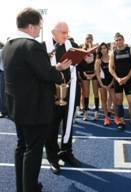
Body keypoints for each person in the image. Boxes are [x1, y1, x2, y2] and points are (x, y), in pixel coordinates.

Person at [2, 8, 71, 192]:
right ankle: (30, 188)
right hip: (35, 109)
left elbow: (32, 72)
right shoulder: (33, 46)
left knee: (21, 147)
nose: (40, 30)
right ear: (31, 26)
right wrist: (60, 69)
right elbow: (48, 75)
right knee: (33, 151)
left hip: (17, 107)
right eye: (39, 26)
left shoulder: (8, 45)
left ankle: (21, 186)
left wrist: (53, 66)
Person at [44, 22, 81, 174]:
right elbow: (38, 71)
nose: (66, 35)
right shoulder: (42, 47)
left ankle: (66, 152)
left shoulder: (72, 45)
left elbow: (82, 65)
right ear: (53, 32)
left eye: (67, 32)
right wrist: (54, 66)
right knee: (51, 127)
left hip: (71, 92)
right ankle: (52, 157)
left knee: (68, 125)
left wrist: (88, 59)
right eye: (63, 32)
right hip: (50, 93)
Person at [109, 32, 131, 130]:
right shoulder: (113, 52)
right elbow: (111, 67)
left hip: (128, 79)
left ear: (123, 40)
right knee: (119, 102)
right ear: (115, 42)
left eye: (120, 39)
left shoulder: (129, 49)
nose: (118, 42)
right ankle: (121, 121)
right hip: (118, 80)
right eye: (116, 40)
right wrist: (117, 78)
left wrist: (127, 77)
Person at [95, 42, 116, 125]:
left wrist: (111, 83)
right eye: (102, 48)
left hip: (111, 82)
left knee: (115, 100)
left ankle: (116, 117)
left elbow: (114, 71)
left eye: (105, 48)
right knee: (103, 100)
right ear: (100, 50)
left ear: (107, 49)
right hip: (102, 83)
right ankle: (106, 118)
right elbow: (97, 74)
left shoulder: (111, 58)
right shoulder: (98, 61)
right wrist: (102, 84)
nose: (103, 50)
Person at [80, 34, 99, 121]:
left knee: (95, 92)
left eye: (90, 39)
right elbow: (81, 64)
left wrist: (94, 74)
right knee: (86, 93)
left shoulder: (96, 50)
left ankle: (96, 112)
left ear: (92, 39)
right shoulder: (82, 50)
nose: (89, 40)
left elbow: (97, 63)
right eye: (87, 39)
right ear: (85, 40)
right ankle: (86, 112)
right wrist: (85, 74)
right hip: (85, 74)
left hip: (94, 74)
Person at [0, 41, 8, 118]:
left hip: (5, 72)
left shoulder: (3, 51)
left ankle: (4, 111)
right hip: (3, 72)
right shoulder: (2, 51)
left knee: (3, 93)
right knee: (3, 93)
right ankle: (3, 111)